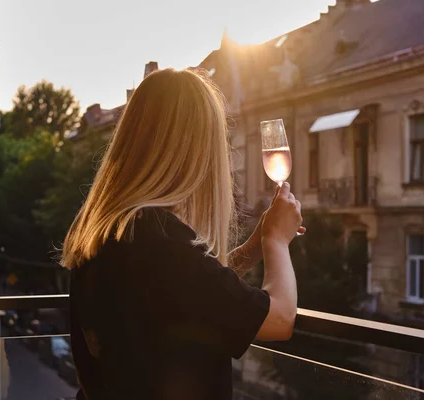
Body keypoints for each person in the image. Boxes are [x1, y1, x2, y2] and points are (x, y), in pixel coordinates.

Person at [62, 68, 303, 400]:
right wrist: (277, 241)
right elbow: (279, 320)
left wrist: (254, 245)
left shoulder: (114, 226)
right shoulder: (158, 238)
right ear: (195, 149)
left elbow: (191, 292)